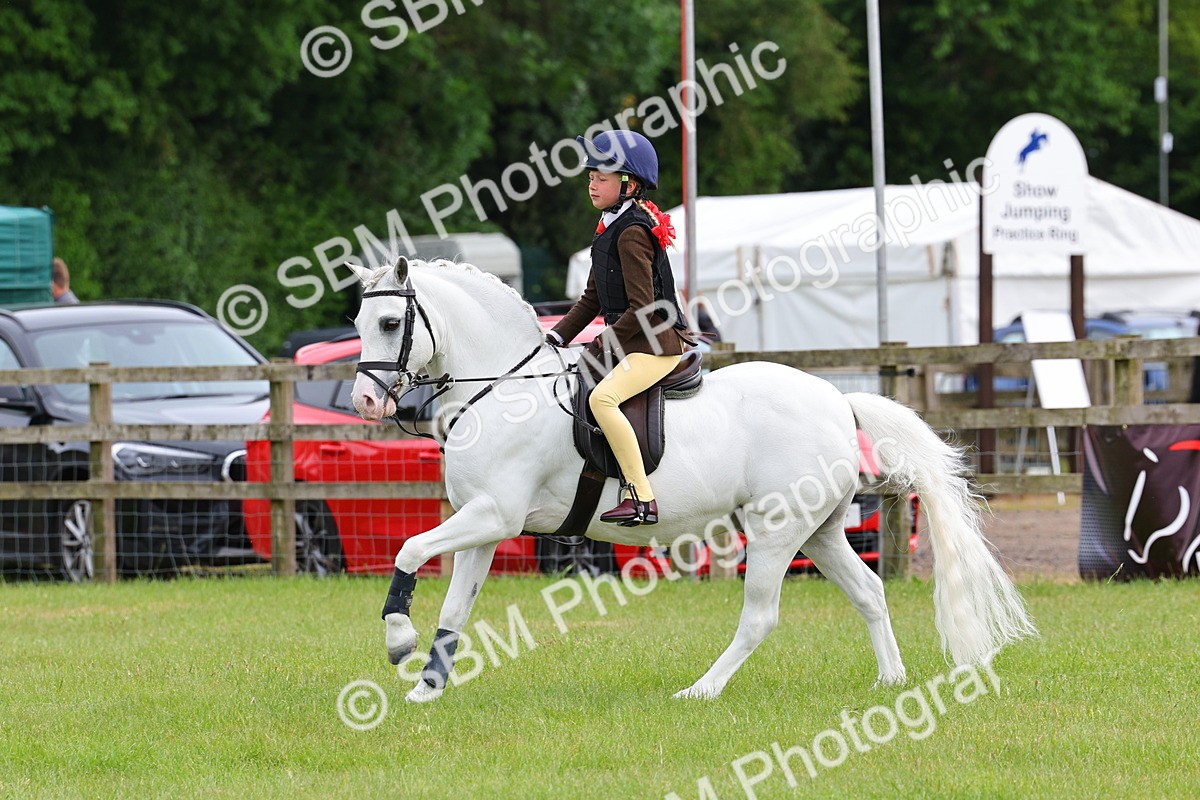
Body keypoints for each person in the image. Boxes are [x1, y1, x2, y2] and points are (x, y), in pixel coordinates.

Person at [546, 130, 693, 526]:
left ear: (628, 184)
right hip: (632, 340)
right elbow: (592, 298)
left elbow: (642, 309)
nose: (592, 183)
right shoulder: (611, 224)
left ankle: (643, 498)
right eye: (590, 176)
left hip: (655, 344)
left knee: (602, 400)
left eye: (602, 177)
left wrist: (600, 346)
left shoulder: (630, 232)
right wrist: (554, 338)